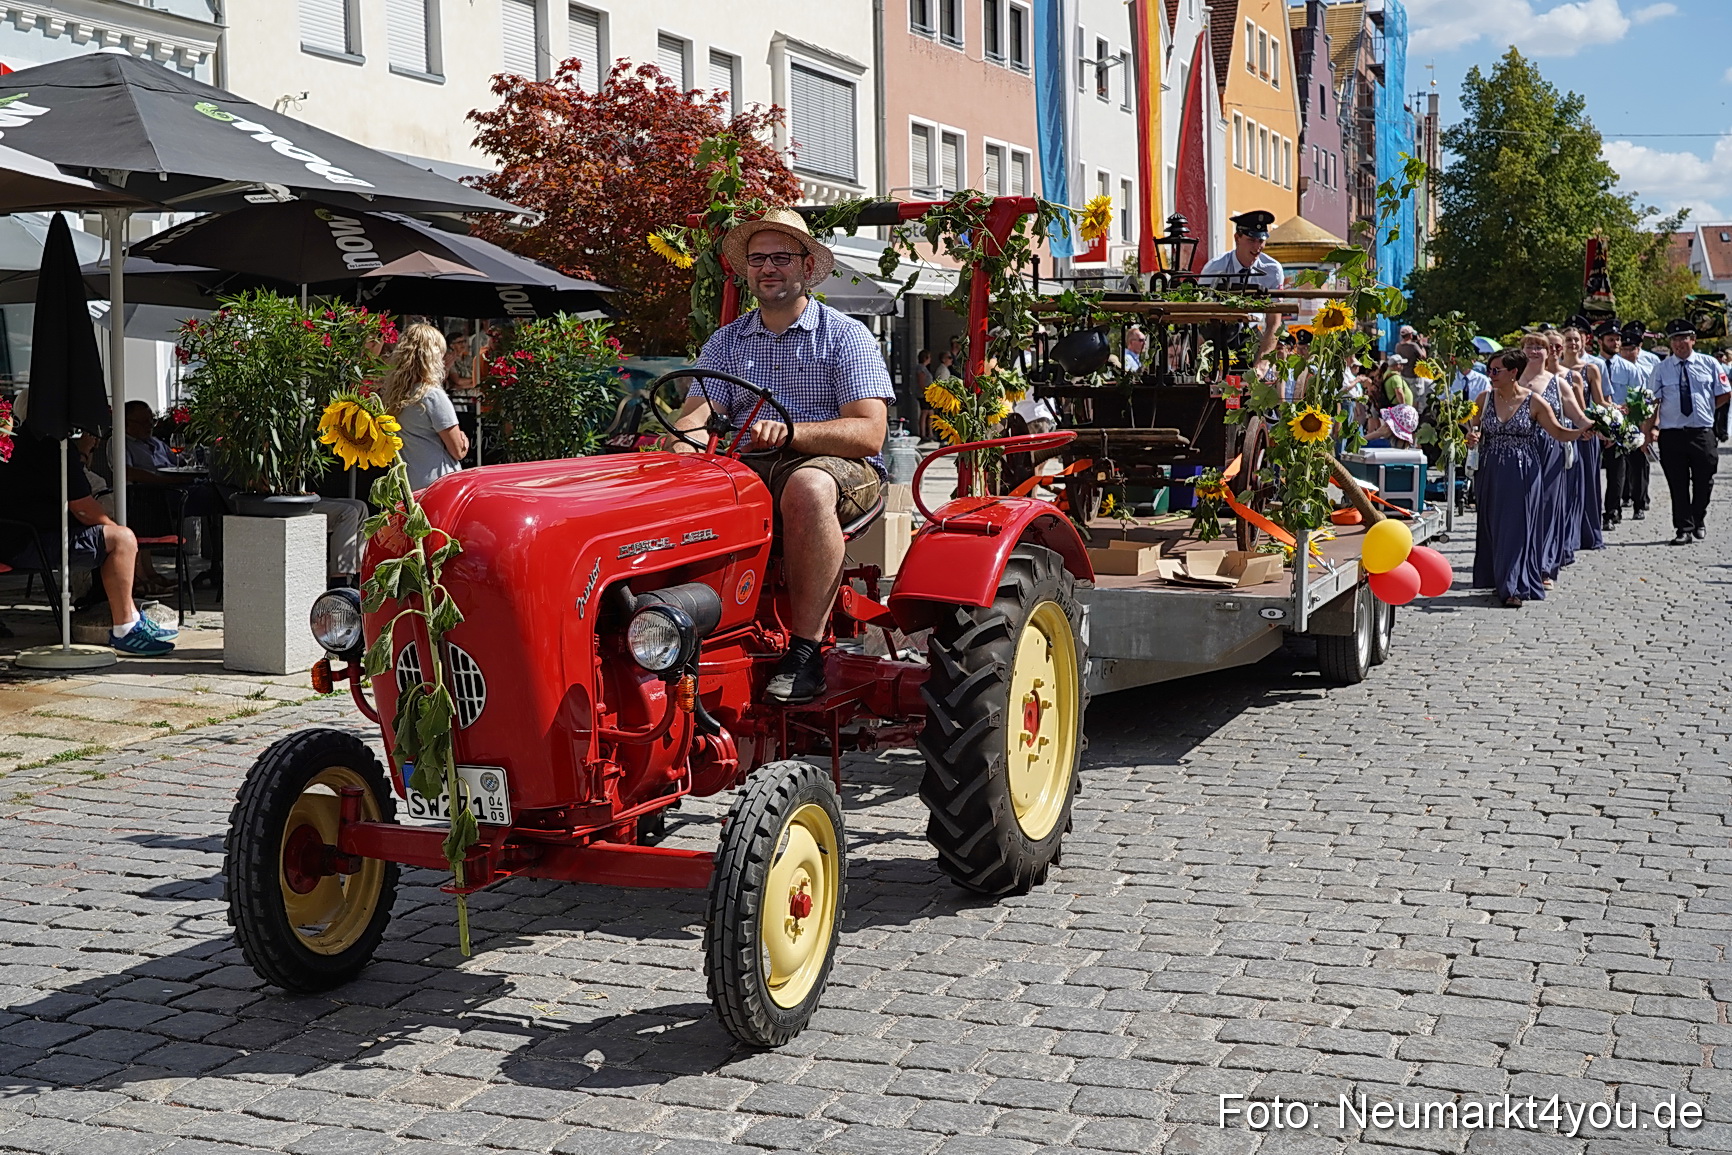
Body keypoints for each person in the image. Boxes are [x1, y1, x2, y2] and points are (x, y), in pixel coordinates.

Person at [670, 207, 895, 703]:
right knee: (683, 486)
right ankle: (680, 630)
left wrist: (794, 433)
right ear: (746, 270)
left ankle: (805, 651)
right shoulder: (727, 341)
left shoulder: (845, 336)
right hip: (751, 468)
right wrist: (677, 440)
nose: (768, 268)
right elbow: (698, 412)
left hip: (843, 472)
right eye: (757, 259)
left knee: (807, 487)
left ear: (807, 265)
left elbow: (869, 434)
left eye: (780, 257)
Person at [0, 414, 177, 656]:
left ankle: (133, 617)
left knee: (117, 536)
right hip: (30, 543)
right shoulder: (53, 446)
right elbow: (83, 508)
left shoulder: (16, 443)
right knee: (122, 540)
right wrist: (117, 532)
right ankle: (125, 628)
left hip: (15, 538)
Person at [1466, 349, 1591, 607]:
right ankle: (1499, 577)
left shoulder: (1534, 402)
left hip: (1523, 471)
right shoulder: (1484, 398)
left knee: (1517, 526)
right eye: (1489, 370)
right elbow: (1469, 426)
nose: (1491, 375)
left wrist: (1582, 432)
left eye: (1496, 370)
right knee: (1494, 525)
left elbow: (1557, 431)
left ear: (1513, 373)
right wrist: (1470, 437)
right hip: (1490, 470)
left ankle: (1514, 586)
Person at [1640, 318, 1731, 544]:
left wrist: (1707, 409)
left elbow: (1724, 392)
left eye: (1684, 338)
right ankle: (1683, 528)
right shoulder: (1661, 369)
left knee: (1705, 479)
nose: (1679, 344)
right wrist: (1649, 430)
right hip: (1672, 433)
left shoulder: (1709, 363)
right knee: (1677, 482)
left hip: (1701, 431)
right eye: (1675, 340)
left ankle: (1698, 517)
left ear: (1693, 340)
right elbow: (1653, 402)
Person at [383, 323, 470, 494]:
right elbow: (458, 450)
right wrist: (464, 439)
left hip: (405, 483)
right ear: (433, 356)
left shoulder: (395, 394)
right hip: (437, 485)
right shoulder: (432, 396)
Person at [1199, 210, 1283, 365]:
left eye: (1261, 240)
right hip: (1217, 334)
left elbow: (1274, 321)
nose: (1258, 247)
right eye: (1252, 240)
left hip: (1250, 335)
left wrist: (1261, 365)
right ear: (1237, 238)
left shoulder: (1272, 270)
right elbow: (1201, 315)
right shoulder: (1216, 268)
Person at [1599, 323, 1652, 530]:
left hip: (1623, 428)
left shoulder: (1630, 369)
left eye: (1617, 339)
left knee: (1619, 472)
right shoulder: (1592, 365)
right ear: (1600, 341)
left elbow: (1639, 400)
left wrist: (1640, 428)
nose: (1616, 343)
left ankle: (1613, 512)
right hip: (1595, 427)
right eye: (1611, 339)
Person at [1559, 325, 1605, 552]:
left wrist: (1618, 415)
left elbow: (1600, 401)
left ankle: (1587, 533)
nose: (1572, 344)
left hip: (1585, 433)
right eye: (1568, 339)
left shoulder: (1591, 369)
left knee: (1586, 482)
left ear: (1584, 342)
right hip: (1559, 430)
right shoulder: (1552, 369)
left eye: (1576, 340)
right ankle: (1565, 533)